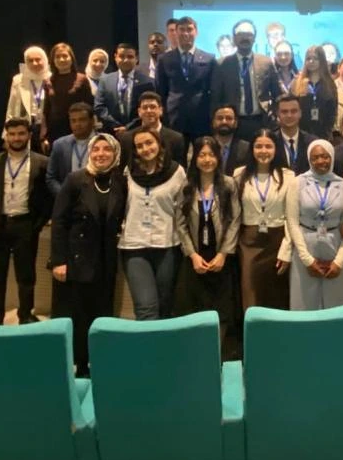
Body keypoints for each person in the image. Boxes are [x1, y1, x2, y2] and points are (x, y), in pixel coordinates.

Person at [50, 133, 126, 376]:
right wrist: (58, 261)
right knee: (80, 314)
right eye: (96, 149)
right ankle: (81, 364)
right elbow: (59, 222)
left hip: (106, 259)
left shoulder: (120, 182)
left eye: (107, 149)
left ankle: (100, 359)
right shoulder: (75, 180)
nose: (101, 154)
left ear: (115, 153)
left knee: (103, 311)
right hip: (78, 258)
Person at [0, 117, 51, 326]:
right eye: (12, 134)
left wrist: (38, 224)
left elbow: (48, 198)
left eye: (21, 133)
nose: (16, 138)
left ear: (29, 135)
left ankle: (25, 315)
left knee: (26, 275)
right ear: (6, 136)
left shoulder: (42, 162)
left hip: (25, 225)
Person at [176, 137, 242, 347]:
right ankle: (198, 351)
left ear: (218, 157)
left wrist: (223, 253)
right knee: (195, 306)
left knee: (222, 308)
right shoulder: (186, 186)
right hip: (196, 258)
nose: (207, 160)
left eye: (211, 155)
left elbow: (235, 220)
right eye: (202, 155)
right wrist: (192, 255)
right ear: (194, 158)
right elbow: (180, 224)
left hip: (221, 257)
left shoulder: (229, 184)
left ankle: (218, 351)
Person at [119, 129, 186, 320]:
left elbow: (182, 210)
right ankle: (147, 340)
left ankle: (162, 340)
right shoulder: (128, 172)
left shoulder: (177, 172)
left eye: (149, 143)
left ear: (160, 144)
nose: (145, 148)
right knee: (145, 307)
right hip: (134, 245)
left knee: (165, 305)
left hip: (167, 244)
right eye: (139, 146)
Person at [285, 139, 343, 311]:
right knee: (304, 305)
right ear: (309, 160)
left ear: (332, 157)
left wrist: (340, 261)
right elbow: (292, 222)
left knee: (335, 306)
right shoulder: (298, 183)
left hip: (335, 246)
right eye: (315, 158)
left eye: (325, 156)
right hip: (305, 246)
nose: (320, 161)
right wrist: (307, 260)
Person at [234, 130, 294, 311]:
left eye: (268, 146)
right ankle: (252, 329)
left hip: (277, 241)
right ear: (252, 149)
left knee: (276, 294)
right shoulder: (239, 174)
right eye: (258, 146)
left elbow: (292, 217)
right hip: (249, 242)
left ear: (276, 149)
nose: (263, 151)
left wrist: (287, 249)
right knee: (250, 292)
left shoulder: (289, 176)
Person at [154, 15, 216, 154]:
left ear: (196, 32)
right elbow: (161, 91)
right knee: (175, 157)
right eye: (182, 29)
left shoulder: (209, 58)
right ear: (176, 32)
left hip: (201, 118)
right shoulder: (164, 59)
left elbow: (213, 91)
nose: (186, 33)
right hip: (174, 118)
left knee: (201, 156)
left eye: (189, 29)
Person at [211, 19, 279, 139]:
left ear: (254, 38)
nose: (245, 38)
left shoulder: (266, 62)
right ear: (234, 38)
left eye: (249, 34)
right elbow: (215, 97)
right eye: (240, 34)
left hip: (261, 121)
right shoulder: (221, 64)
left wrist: (274, 114)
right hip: (233, 123)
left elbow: (277, 93)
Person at [41, 42, 94, 149]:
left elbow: (90, 107)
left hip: (78, 128)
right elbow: (46, 111)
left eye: (65, 56)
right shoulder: (48, 82)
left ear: (71, 58)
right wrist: (43, 136)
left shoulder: (82, 79)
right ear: (53, 60)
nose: (61, 60)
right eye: (57, 57)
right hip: (55, 131)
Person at [95, 42, 154, 139]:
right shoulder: (105, 80)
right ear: (115, 57)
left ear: (136, 59)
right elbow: (99, 107)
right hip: (111, 133)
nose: (125, 60)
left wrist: (128, 128)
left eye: (130, 57)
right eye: (121, 56)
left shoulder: (148, 82)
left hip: (138, 132)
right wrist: (116, 126)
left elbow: (148, 109)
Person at [46, 102, 96, 206]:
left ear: (92, 121)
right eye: (73, 121)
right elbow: (51, 177)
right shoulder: (59, 145)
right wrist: (64, 195)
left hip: (96, 201)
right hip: (68, 204)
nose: (77, 124)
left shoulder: (103, 143)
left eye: (82, 120)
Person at [121, 91, 186, 169]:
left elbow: (180, 169)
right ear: (139, 112)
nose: (149, 111)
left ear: (161, 110)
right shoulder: (127, 138)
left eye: (153, 107)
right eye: (145, 107)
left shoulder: (176, 138)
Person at [5, 46, 51, 151]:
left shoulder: (52, 78)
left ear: (45, 59)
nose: (34, 63)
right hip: (24, 126)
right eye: (30, 60)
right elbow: (11, 107)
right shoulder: (18, 80)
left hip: (46, 127)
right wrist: (6, 135)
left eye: (38, 59)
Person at [291, 45, 338, 136]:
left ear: (322, 61)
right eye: (308, 59)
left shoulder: (329, 83)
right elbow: (291, 107)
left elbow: (333, 110)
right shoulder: (297, 82)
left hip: (323, 132)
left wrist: (328, 130)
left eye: (315, 59)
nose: (311, 61)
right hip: (301, 131)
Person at [272, 93, 318, 175]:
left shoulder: (313, 142)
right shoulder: (271, 141)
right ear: (278, 114)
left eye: (293, 111)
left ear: (300, 113)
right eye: (284, 112)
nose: (289, 115)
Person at [211, 105, 252, 176]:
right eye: (220, 118)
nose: (224, 122)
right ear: (213, 122)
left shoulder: (246, 148)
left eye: (229, 118)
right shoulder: (205, 146)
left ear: (236, 123)